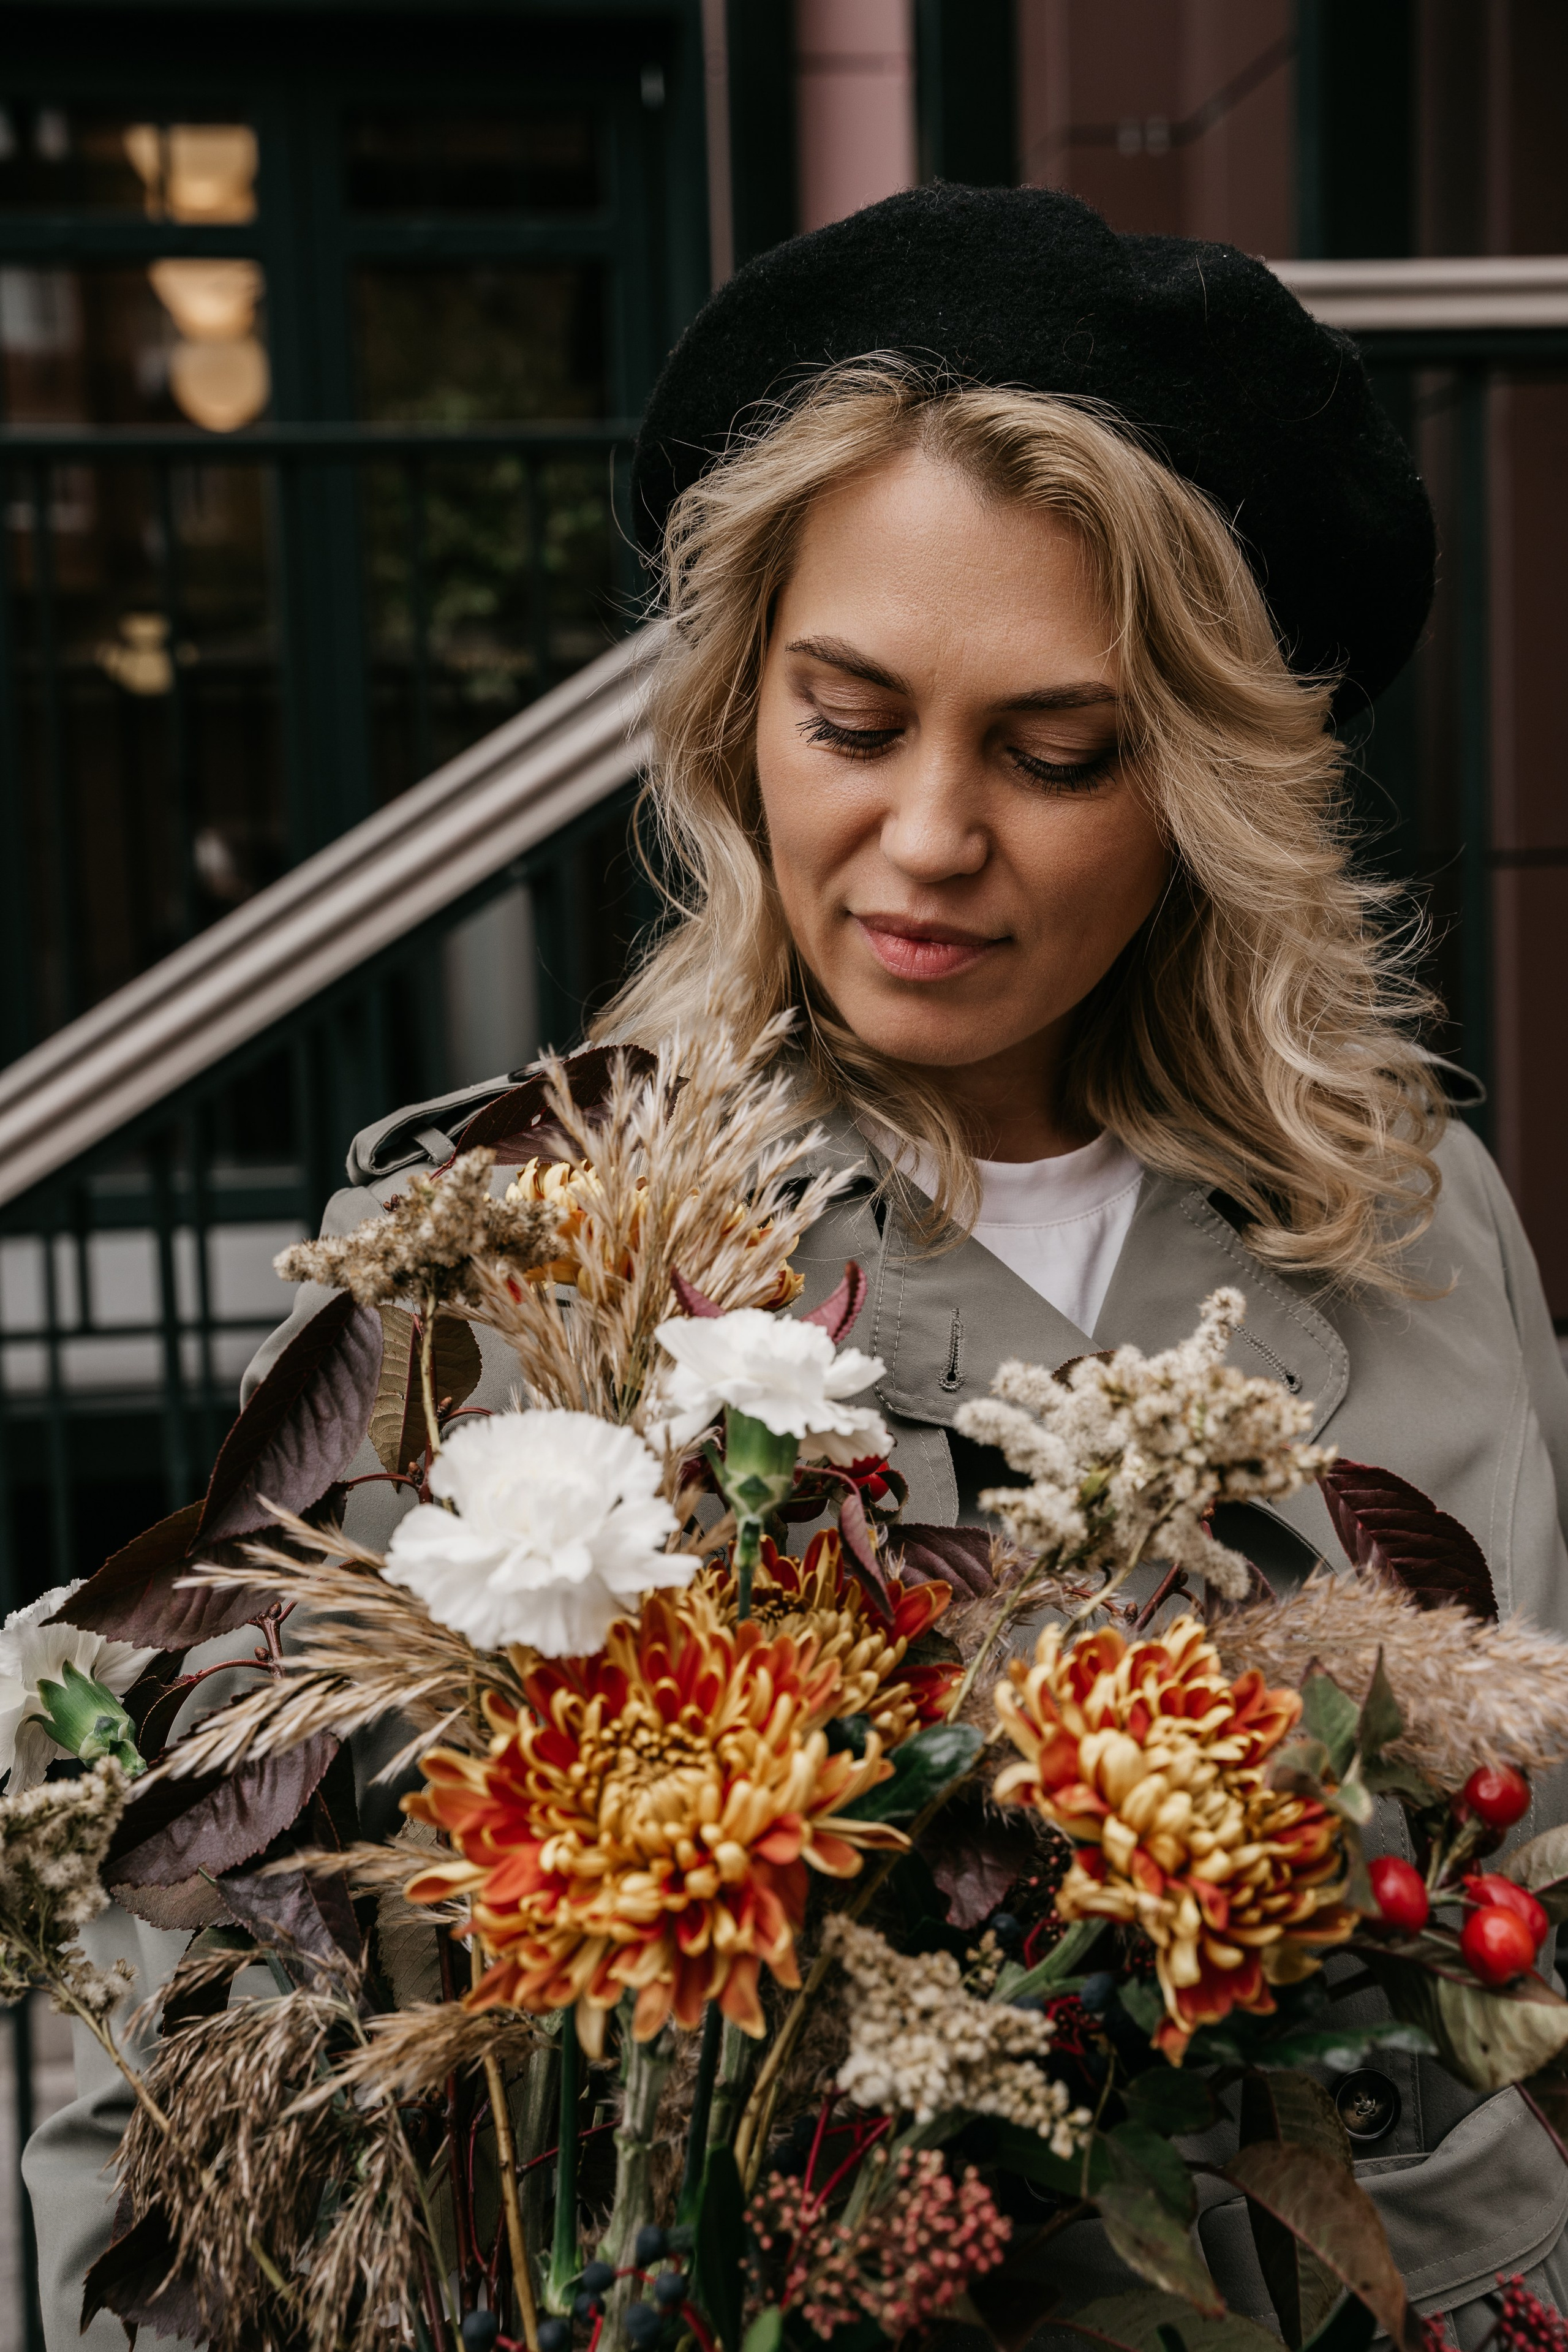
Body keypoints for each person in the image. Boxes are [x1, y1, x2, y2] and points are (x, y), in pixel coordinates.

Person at [28, 184, 1568, 2348]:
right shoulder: (519, 1265)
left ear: (1212, 788)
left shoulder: (1409, 1219)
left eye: (1057, 755)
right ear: (741, 716)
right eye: (853, 723)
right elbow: (175, 2021)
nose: (931, 837)